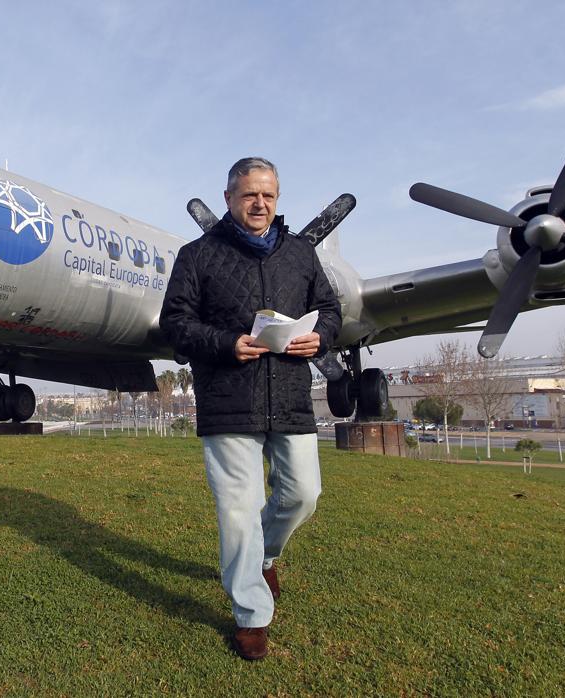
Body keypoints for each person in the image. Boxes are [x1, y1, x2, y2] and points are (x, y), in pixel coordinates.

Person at [159, 157, 341, 661]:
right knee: (238, 510)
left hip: (289, 396)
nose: (259, 204)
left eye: (268, 195)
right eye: (249, 195)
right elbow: (174, 323)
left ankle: (267, 555)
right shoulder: (196, 255)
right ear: (229, 199)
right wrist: (225, 343)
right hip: (227, 399)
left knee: (304, 493)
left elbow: (330, 310)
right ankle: (251, 615)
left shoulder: (301, 253)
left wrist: (320, 336)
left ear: (277, 200)